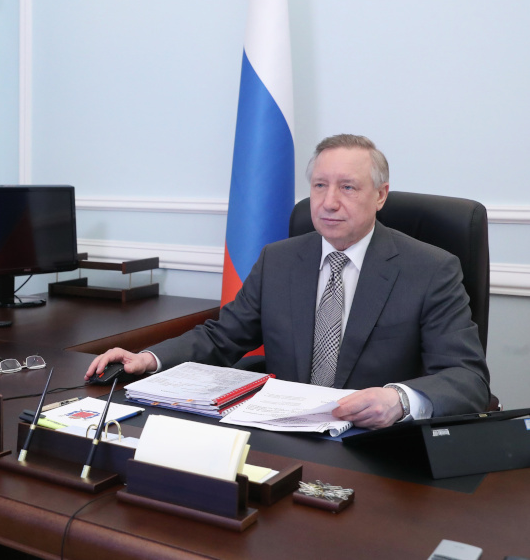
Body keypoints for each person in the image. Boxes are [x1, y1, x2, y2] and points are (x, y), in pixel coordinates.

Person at [86, 134, 490, 430]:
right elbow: (222, 337)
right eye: (320, 186)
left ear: (381, 195)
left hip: (375, 443)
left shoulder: (431, 269)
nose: (329, 202)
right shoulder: (278, 260)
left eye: (348, 187)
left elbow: (468, 379)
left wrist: (399, 400)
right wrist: (148, 359)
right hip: (284, 431)